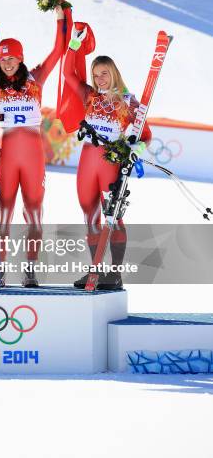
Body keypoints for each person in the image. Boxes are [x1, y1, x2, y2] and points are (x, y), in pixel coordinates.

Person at [0, 0, 65, 287]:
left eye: (12, 58)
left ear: (20, 59)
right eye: (3, 58)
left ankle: (30, 270)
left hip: (33, 153)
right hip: (6, 153)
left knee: (34, 211)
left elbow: (58, 51)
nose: (7, 63)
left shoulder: (35, 78)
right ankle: (0, 269)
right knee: (4, 213)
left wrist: (60, 16)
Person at [63, 40, 151, 290]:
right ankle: (96, 272)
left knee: (114, 218)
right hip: (87, 162)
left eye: (104, 73)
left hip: (110, 164)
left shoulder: (127, 101)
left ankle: (115, 273)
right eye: (95, 74)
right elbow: (68, 73)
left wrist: (137, 149)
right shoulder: (90, 96)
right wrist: (74, 43)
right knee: (90, 216)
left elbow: (146, 135)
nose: (99, 79)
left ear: (114, 73)